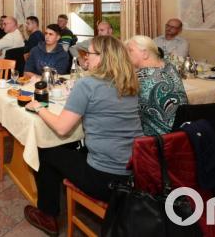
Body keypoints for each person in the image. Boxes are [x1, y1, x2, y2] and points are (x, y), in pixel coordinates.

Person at [23, 36, 143, 235]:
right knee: (69, 148)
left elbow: (62, 129)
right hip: (134, 171)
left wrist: (39, 107)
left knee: (45, 151)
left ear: (104, 57)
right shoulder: (130, 82)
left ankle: (47, 215)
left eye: (90, 54)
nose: (85, 58)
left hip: (105, 178)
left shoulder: (87, 84)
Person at [125, 35, 189, 136]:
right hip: (182, 133)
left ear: (145, 53)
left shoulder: (139, 80)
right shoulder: (169, 66)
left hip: (155, 141)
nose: (125, 54)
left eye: (130, 50)